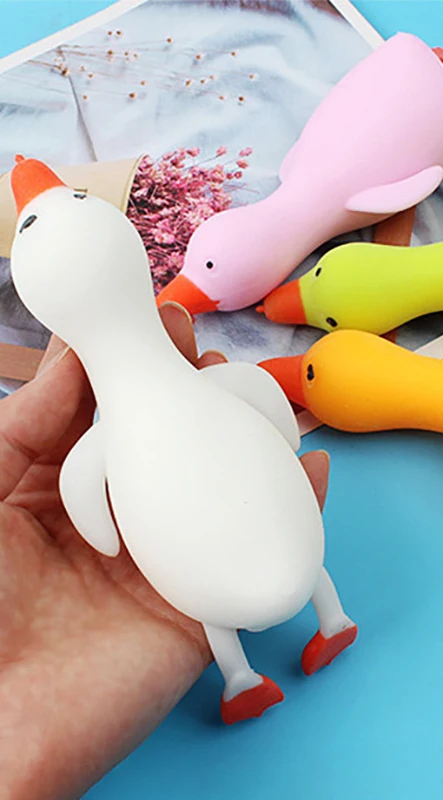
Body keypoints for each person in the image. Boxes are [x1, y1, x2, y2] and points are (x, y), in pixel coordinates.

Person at [0, 303, 331, 800]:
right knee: (274, 559)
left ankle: (242, 679)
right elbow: (258, 391)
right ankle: (331, 624)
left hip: (199, 551)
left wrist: (103, 534)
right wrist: (281, 436)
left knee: (208, 601)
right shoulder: (210, 388)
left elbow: (80, 478)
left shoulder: (112, 432)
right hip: (253, 527)